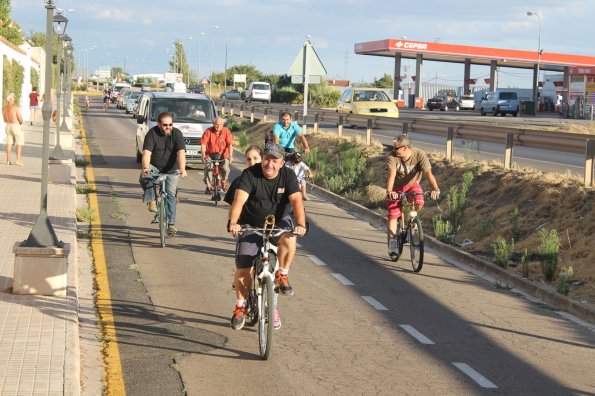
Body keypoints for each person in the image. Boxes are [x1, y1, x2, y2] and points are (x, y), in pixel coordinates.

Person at [227, 142, 307, 330]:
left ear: (282, 163)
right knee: (244, 267)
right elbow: (239, 200)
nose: (269, 164)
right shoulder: (249, 174)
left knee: (289, 237)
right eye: (266, 159)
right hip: (251, 224)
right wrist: (234, 223)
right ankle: (240, 306)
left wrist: (301, 224)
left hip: (278, 222)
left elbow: (296, 201)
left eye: (274, 160)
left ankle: (283, 275)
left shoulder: (288, 175)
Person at [386, 134, 440, 259]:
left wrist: (435, 189)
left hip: (412, 185)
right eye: (393, 148)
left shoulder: (419, 154)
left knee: (419, 200)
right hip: (396, 186)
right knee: (393, 214)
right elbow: (391, 175)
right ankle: (393, 243)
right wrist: (389, 191)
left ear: (405, 147)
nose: (394, 151)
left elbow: (429, 173)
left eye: (397, 148)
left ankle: (411, 219)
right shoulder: (391, 156)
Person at [139, 111, 187, 236]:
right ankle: (152, 200)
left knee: (171, 195)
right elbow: (147, 153)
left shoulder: (177, 134)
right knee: (144, 177)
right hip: (155, 166)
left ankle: (171, 225)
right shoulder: (152, 133)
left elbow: (181, 153)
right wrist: (145, 167)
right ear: (159, 124)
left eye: (170, 124)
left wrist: (182, 168)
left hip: (172, 169)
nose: (168, 127)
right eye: (165, 125)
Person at [201, 116, 233, 194]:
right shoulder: (208, 131)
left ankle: (223, 181)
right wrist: (203, 155)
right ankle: (208, 186)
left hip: (222, 156)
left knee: (225, 168)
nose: (218, 126)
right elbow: (203, 145)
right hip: (210, 155)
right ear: (213, 124)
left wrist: (230, 156)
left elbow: (230, 145)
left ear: (223, 124)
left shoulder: (226, 132)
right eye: (216, 124)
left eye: (220, 124)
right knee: (208, 168)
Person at [2, 93, 24, 165]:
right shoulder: (15, 108)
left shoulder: (4, 108)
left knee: (9, 143)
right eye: (13, 98)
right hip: (16, 125)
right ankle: (18, 160)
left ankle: (8, 160)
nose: (14, 99)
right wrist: (20, 122)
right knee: (19, 142)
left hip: (8, 126)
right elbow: (20, 119)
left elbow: (5, 119)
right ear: (10, 99)